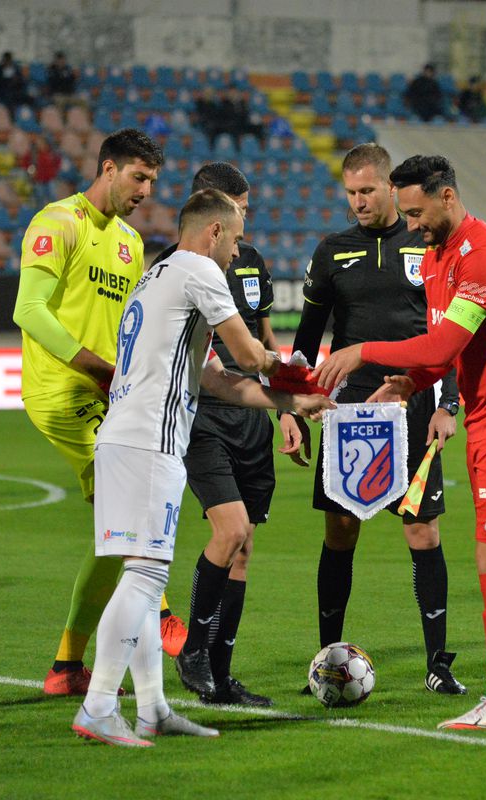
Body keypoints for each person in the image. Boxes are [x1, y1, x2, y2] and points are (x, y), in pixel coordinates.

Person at [314, 154, 486, 730]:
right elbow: (447, 349)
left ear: (448, 196)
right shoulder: (436, 257)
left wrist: (365, 351)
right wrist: (412, 381)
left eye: (417, 211)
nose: (410, 223)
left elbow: (437, 346)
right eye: (403, 212)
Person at [72, 189, 332, 746]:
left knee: (143, 573)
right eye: (235, 240)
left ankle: (153, 709)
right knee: (145, 577)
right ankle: (97, 707)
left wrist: (285, 404)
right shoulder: (198, 269)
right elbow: (248, 355)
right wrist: (297, 375)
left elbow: (215, 377)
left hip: (122, 437)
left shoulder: (156, 274)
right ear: (213, 232)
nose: (237, 253)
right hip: (152, 442)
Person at [13, 129, 186, 697]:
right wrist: (95, 367)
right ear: (108, 169)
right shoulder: (57, 223)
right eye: (139, 177)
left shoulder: (131, 243)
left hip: (107, 394)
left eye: (154, 181)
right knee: (135, 500)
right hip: (62, 392)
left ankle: (67, 666)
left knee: (112, 531)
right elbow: (29, 310)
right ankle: (161, 613)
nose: (146, 190)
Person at [293, 144, 466, 696]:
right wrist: (291, 410)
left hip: (413, 402)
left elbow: (453, 332)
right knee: (340, 530)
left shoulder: (426, 243)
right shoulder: (331, 251)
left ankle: (438, 665)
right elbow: (305, 341)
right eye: (351, 192)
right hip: (348, 410)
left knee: (422, 529)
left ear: (392, 187)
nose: (359, 202)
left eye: (368, 191)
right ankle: (325, 661)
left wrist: (448, 403)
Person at [157, 163, 303, 707]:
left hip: (251, 416)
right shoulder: (179, 268)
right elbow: (233, 356)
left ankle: (220, 676)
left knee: (243, 547)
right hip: (204, 417)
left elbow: (264, 337)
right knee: (229, 530)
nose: (246, 222)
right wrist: (291, 390)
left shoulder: (250, 262)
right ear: (211, 209)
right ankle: (194, 652)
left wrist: (285, 408)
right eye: (238, 209)